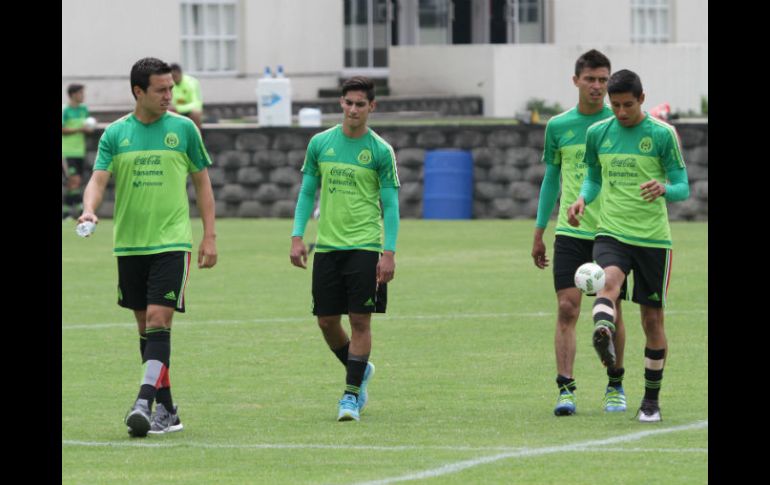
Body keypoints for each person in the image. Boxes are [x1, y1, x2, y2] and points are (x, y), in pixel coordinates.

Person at [77, 57, 218, 437]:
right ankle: (168, 409)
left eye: (171, 88)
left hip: (172, 241)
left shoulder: (185, 129)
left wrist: (209, 236)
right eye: (161, 89)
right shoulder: (115, 134)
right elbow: (99, 179)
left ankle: (143, 401)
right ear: (138, 92)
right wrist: (89, 210)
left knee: (158, 319)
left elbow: (203, 184)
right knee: (147, 329)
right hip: (130, 246)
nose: (169, 95)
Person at [567, 69, 690, 423]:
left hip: (653, 240)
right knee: (608, 283)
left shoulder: (662, 135)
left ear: (642, 99)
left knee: (652, 320)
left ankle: (650, 400)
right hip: (612, 231)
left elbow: (683, 186)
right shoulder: (598, 133)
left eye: (627, 105)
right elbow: (593, 178)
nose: (620, 112)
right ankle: (603, 331)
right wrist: (582, 200)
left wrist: (665, 188)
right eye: (615, 105)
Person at [289, 76, 400, 422]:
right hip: (327, 247)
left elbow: (391, 206)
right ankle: (359, 369)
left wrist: (389, 252)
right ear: (341, 103)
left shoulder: (380, 151)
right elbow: (308, 192)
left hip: (365, 246)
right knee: (325, 321)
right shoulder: (321, 144)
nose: (353, 109)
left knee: (360, 320)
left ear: (372, 107)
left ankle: (351, 395)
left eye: (360, 104)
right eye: (348, 103)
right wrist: (296, 236)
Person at [532, 49, 628, 417]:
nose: (597, 86)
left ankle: (615, 385)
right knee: (567, 307)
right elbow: (551, 178)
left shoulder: (620, 123)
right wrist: (540, 230)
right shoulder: (558, 126)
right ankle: (566, 389)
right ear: (576, 81)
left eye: (603, 79)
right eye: (590, 79)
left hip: (612, 231)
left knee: (612, 309)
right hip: (570, 233)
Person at [62, 83, 94, 219]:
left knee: (76, 182)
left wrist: (88, 130)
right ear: (73, 94)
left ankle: (66, 211)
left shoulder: (84, 109)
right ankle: (81, 208)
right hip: (67, 151)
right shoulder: (65, 110)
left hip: (80, 151)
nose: (83, 96)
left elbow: (87, 128)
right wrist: (80, 129)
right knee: (74, 180)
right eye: (81, 93)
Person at [170, 63, 203, 129]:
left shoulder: (191, 82)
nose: (173, 79)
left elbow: (196, 103)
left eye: (175, 76)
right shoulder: (169, 83)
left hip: (189, 111)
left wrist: (179, 108)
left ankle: (196, 137)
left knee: (196, 113)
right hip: (175, 111)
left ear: (180, 74)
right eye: (171, 76)